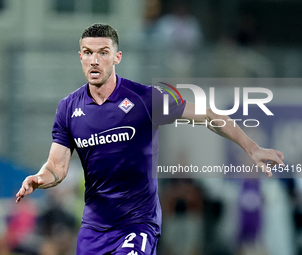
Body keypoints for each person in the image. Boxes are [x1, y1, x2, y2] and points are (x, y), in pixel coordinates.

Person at [16, 23, 284, 255]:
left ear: (117, 57)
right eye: (88, 53)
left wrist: (251, 147)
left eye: (103, 53)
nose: (94, 60)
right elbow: (57, 166)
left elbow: (208, 116)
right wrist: (40, 178)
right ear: (80, 57)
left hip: (137, 222)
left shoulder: (145, 99)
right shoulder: (68, 108)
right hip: (93, 228)